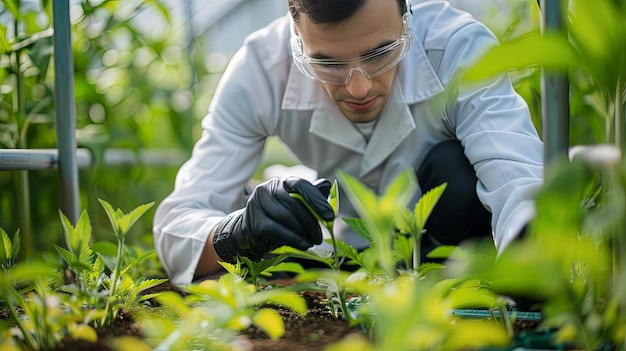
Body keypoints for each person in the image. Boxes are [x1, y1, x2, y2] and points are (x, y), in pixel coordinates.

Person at [153, 0, 544, 286]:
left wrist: (535, 259)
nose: (359, 87)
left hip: (443, 245)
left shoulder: (457, 48)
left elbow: (519, 181)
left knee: (456, 179)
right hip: (331, 251)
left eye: (380, 53)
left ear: (407, 20)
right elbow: (176, 224)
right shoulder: (260, 69)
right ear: (296, 38)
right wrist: (236, 233)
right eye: (328, 63)